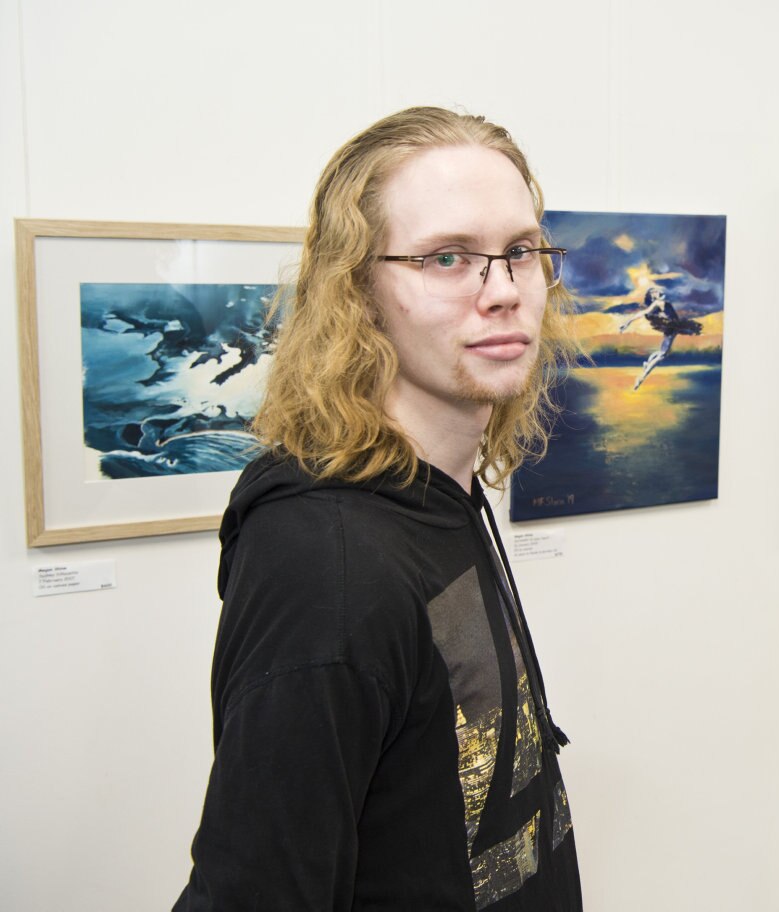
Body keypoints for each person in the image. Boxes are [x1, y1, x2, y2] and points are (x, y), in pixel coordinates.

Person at [175, 107, 582, 911]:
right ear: (356, 291)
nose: (503, 292)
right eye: (448, 257)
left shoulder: (443, 497)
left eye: (522, 252)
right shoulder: (325, 562)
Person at [617, 285, 702, 389]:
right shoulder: (657, 303)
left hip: (676, 326)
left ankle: (647, 363)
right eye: (654, 292)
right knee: (662, 355)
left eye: (657, 290)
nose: (657, 291)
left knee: (663, 352)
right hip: (671, 327)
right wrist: (627, 323)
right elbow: (643, 312)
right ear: (653, 297)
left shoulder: (662, 302)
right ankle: (641, 378)